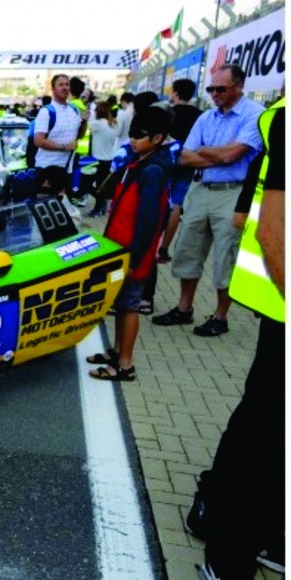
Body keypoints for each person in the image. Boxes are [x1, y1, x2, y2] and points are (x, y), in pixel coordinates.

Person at [191, 96, 284, 580]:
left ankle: (269, 532)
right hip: (282, 307)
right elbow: (274, 232)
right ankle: (227, 552)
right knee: (264, 428)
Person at [152, 65, 265, 337]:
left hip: (234, 192)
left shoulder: (254, 114)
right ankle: (184, 308)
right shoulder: (206, 117)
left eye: (220, 89)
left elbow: (232, 155)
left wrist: (206, 152)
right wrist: (218, 155)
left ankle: (220, 316)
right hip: (201, 188)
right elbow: (185, 157)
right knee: (188, 249)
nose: (214, 94)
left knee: (226, 256)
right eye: (211, 89)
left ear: (239, 86)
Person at [86, 107, 174, 382]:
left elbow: (149, 219)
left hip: (134, 252)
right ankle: (116, 351)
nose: (133, 139)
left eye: (139, 135)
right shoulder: (140, 162)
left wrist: (134, 257)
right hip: (122, 247)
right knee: (121, 303)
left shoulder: (153, 171)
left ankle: (125, 364)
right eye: (132, 133)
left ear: (157, 138)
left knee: (129, 305)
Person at [158, 78, 203, 263]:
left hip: (166, 161)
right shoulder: (200, 115)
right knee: (176, 204)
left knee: (159, 200)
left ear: (175, 92)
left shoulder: (167, 112)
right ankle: (164, 249)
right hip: (188, 161)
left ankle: (151, 243)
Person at [32, 74, 84, 198]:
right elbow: (38, 141)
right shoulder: (46, 112)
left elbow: (79, 135)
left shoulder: (74, 110)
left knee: (63, 207)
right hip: (47, 170)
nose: (65, 87)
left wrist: (85, 122)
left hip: (67, 169)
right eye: (61, 85)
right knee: (46, 208)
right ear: (53, 89)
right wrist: (64, 147)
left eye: (67, 84)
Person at [87, 100, 119, 217]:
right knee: (100, 185)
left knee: (86, 184)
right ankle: (99, 206)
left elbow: (86, 126)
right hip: (108, 159)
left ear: (98, 111)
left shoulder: (98, 124)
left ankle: (100, 205)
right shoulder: (113, 124)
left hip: (97, 159)